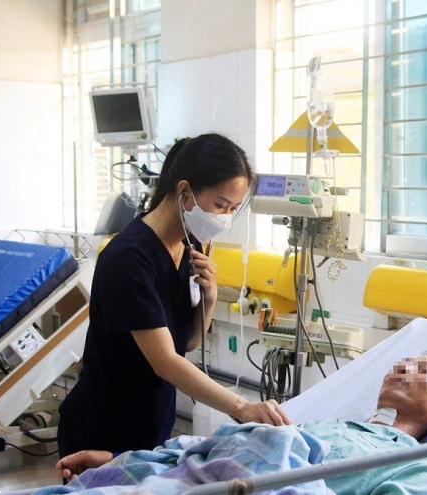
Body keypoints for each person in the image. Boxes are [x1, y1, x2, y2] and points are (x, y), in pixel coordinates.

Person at [57, 133, 289, 459]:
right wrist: (240, 406)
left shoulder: (189, 247)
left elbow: (189, 342)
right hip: (104, 424)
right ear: (184, 192)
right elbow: (164, 360)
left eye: (233, 209)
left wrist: (209, 297)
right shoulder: (129, 257)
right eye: (220, 205)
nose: (224, 217)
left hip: (151, 422)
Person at [52, 352, 427, 495]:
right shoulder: (321, 426)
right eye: (401, 364)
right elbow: (218, 451)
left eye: (422, 371)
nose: (403, 369)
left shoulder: (419, 467)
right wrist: (120, 459)